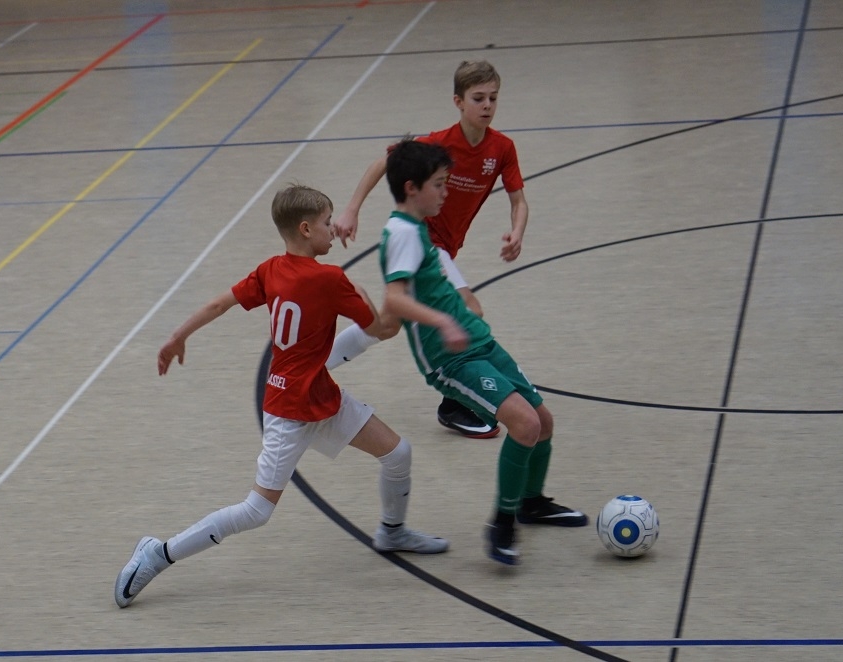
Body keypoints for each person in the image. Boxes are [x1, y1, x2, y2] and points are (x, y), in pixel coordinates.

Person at [114, 184, 448, 608]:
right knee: (256, 511)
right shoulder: (330, 279)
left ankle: (393, 532)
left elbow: (218, 304)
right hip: (290, 413)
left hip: (320, 398)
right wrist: (395, 293)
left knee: (398, 453)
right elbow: (379, 328)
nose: (334, 230)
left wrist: (178, 336)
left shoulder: (271, 269)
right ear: (306, 229)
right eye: (328, 223)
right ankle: (157, 554)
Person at [378, 139, 586, 566]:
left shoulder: (418, 228)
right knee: (525, 424)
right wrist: (443, 322)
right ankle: (502, 523)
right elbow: (394, 299)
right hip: (450, 357)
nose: (446, 192)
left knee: (543, 422)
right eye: (439, 185)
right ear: (412, 188)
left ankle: (530, 502)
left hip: (478, 340)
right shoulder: (400, 233)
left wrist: (462, 310)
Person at [326, 60, 528, 440]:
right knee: (469, 310)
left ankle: (314, 367)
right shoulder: (438, 143)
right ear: (458, 101)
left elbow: (519, 200)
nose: (487, 105)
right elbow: (384, 163)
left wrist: (516, 232)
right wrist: (352, 209)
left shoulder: (502, 148)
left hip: (445, 245)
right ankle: (455, 404)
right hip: (425, 241)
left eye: (493, 98)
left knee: (388, 325)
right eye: (478, 98)